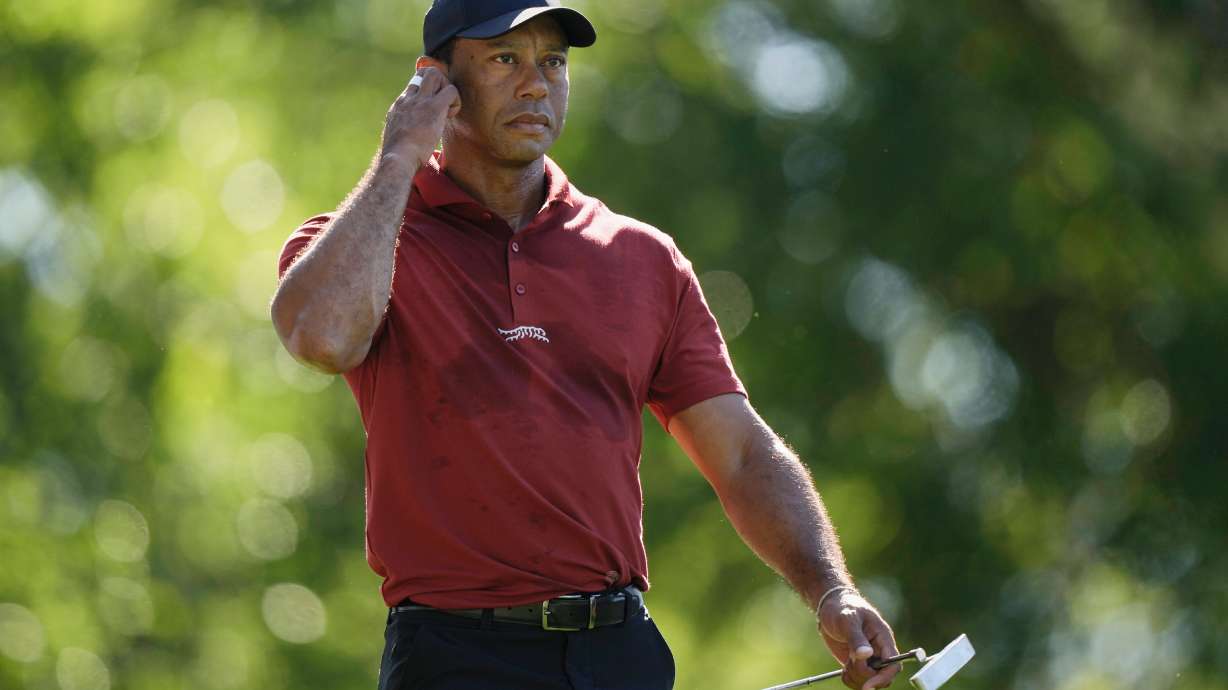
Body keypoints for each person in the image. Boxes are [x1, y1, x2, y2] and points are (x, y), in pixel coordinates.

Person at [270, 1, 901, 688]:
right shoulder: (363, 241)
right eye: (505, 59)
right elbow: (323, 337)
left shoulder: (642, 258)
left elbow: (744, 455)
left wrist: (831, 589)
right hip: (453, 656)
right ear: (435, 83)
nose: (536, 84)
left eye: (554, 62)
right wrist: (399, 156)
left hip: (617, 652)